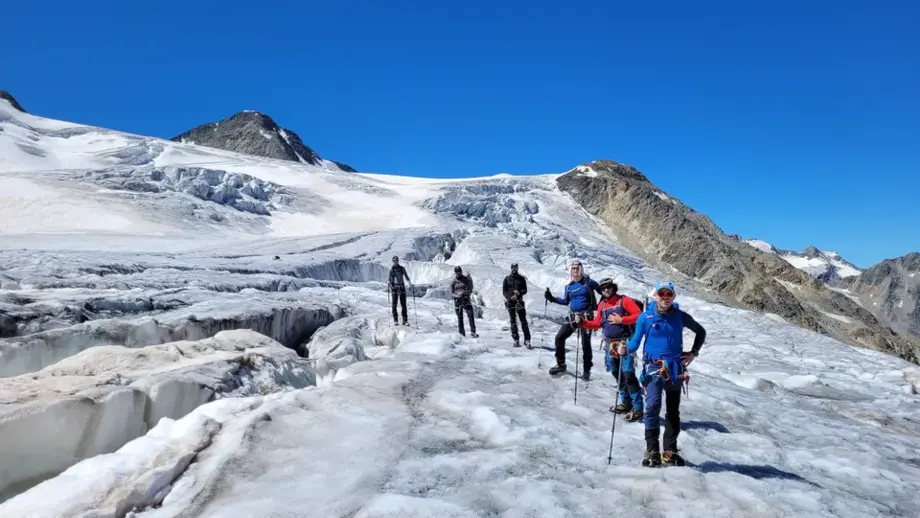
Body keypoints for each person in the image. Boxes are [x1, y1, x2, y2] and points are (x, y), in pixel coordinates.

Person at [621, 281, 706, 468]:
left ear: (673, 297)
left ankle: (670, 451)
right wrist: (624, 348)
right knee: (652, 406)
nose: (665, 297)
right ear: (656, 296)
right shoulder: (646, 317)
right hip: (653, 369)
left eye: (669, 294)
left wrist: (694, 352)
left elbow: (701, 331)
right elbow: (635, 342)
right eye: (662, 294)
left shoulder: (680, 316)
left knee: (673, 411)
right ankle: (652, 450)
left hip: (675, 369)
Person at [582, 278, 644, 422]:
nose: (606, 290)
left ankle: (638, 408)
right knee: (617, 374)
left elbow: (639, 316)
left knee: (628, 374)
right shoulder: (602, 305)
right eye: (603, 288)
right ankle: (626, 402)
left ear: (613, 288)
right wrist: (584, 323)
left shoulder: (624, 300)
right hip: (610, 345)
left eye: (608, 287)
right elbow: (598, 323)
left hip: (625, 344)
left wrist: (622, 320)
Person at [544, 260, 602, 379]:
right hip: (572, 316)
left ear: (581, 269)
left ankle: (586, 370)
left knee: (585, 344)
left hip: (586, 317)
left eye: (577, 268)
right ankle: (561, 364)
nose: (575, 270)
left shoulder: (589, 282)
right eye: (573, 268)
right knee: (559, 337)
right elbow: (566, 301)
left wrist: (600, 307)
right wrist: (552, 298)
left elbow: (603, 292)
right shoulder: (569, 286)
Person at [502, 263, 531, 348]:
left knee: (523, 321)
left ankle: (527, 340)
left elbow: (525, 290)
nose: (514, 269)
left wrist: (519, 293)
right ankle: (516, 339)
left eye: (516, 267)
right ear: (511, 268)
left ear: (517, 268)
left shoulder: (521, 279)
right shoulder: (507, 279)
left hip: (519, 301)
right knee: (513, 321)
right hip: (510, 302)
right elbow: (504, 291)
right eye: (513, 267)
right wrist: (510, 296)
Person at [451, 266, 478, 338]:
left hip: (465, 299)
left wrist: (463, 293)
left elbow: (470, 289)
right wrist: (457, 296)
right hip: (457, 301)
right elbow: (451, 292)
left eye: (460, 272)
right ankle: (462, 334)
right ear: (455, 273)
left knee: (470, 314)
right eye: (457, 272)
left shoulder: (466, 279)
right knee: (460, 318)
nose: (459, 273)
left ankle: (473, 332)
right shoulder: (453, 282)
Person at [388, 256, 412, 326]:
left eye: (396, 261)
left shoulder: (402, 269)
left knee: (403, 305)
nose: (395, 262)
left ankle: (405, 320)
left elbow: (406, 276)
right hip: (394, 287)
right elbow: (389, 279)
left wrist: (410, 284)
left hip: (401, 287)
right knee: (394, 305)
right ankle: (395, 320)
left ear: (398, 261)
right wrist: (389, 285)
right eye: (394, 261)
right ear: (393, 261)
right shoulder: (391, 270)